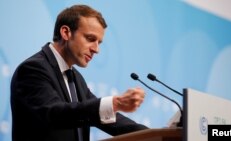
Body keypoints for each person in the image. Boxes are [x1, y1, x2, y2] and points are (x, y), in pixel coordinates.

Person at [10, 4, 148, 141]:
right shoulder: (33, 69)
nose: (96, 49)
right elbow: (55, 113)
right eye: (90, 39)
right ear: (66, 33)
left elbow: (107, 118)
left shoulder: (76, 77)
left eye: (99, 42)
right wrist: (115, 103)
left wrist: (154, 135)